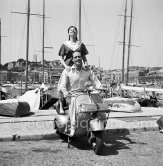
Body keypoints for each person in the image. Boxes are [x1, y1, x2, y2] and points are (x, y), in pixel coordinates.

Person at [59, 51, 103, 136]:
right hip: (72, 94)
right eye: (75, 57)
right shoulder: (68, 70)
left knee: (93, 106)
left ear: (82, 58)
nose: (78, 58)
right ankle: (72, 126)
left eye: (79, 56)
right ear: (72, 59)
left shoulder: (87, 70)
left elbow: (96, 82)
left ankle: (93, 122)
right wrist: (65, 93)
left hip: (84, 94)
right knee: (73, 103)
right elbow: (62, 85)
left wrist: (101, 87)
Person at [57, 26, 89, 112]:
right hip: (68, 68)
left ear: (76, 33)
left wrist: (86, 64)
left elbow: (84, 56)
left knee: (78, 86)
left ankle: (77, 104)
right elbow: (60, 57)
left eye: (74, 30)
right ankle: (61, 106)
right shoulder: (65, 44)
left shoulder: (80, 44)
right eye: (70, 30)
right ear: (68, 33)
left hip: (78, 67)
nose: (72, 31)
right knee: (63, 86)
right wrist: (65, 66)